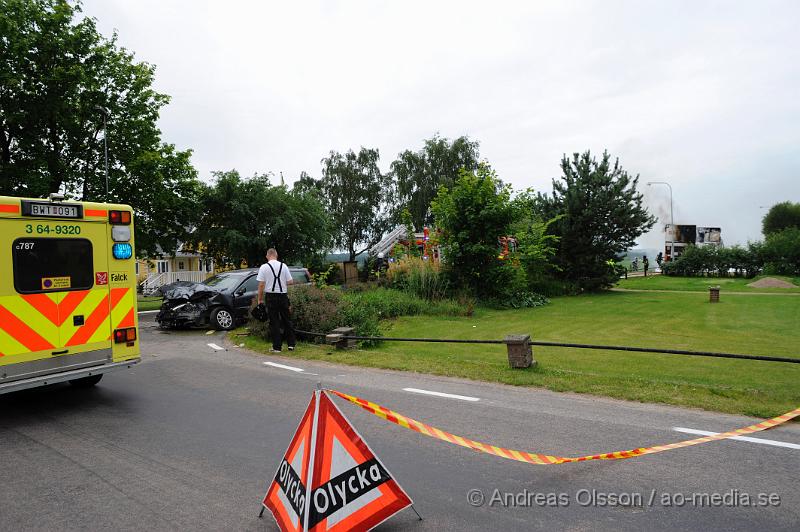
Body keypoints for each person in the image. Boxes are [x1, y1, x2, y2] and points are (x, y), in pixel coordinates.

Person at [257, 248, 295, 353]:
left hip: (271, 296)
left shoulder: (264, 267)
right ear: (276, 255)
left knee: (274, 322)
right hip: (283, 296)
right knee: (287, 320)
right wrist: (281, 283)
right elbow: (290, 281)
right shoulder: (284, 266)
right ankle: (291, 344)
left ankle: (277, 347)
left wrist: (259, 299)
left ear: (267, 256)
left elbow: (261, 285)